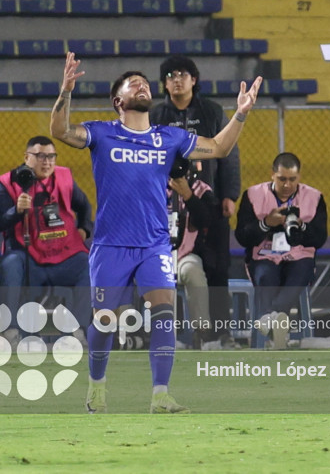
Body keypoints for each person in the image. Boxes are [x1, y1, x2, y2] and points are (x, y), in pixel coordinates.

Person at [51, 51, 263, 414]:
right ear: (119, 101)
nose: (142, 86)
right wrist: (66, 92)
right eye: (134, 85)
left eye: (144, 83)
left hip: (154, 244)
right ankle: (96, 388)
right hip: (111, 244)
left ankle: (161, 395)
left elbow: (221, 147)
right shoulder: (102, 133)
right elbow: (59, 132)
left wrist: (241, 112)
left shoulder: (169, 137)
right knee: (104, 320)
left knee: (165, 310)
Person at [150, 55, 241, 348]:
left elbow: (229, 152)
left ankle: (221, 332)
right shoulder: (156, 116)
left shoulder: (212, 112)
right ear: (164, 83)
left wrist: (230, 194)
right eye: (171, 75)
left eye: (183, 74)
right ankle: (166, 335)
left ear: (194, 79)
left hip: (207, 201)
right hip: (168, 203)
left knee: (218, 268)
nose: (177, 80)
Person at [0, 135, 93, 345]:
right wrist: (16, 211)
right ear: (27, 157)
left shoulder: (64, 178)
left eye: (51, 156)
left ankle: (78, 330)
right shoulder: (6, 184)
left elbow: (84, 205)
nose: (47, 162)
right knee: (10, 264)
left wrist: (84, 229)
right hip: (28, 258)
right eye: (40, 156)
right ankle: (12, 331)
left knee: (89, 265)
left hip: (62, 256)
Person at [235, 153, 327, 349]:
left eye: (292, 179)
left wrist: (301, 227)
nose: (287, 185)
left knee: (300, 274)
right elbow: (242, 237)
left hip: (299, 254)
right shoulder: (252, 195)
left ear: (299, 177)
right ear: (272, 175)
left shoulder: (314, 197)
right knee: (266, 276)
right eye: (282, 179)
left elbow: (319, 239)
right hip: (264, 254)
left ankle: (270, 318)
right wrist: (266, 223)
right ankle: (278, 325)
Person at [168, 160, 217, 348]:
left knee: (193, 271)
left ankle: (201, 331)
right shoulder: (152, 184)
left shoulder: (201, 189)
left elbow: (207, 220)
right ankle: (139, 333)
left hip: (186, 254)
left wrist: (188, 196)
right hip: (155, 256)